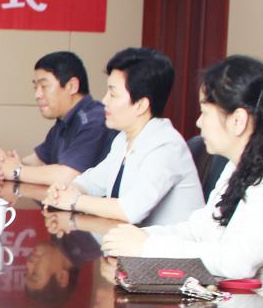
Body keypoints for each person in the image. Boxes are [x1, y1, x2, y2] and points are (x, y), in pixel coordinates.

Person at [101, 55, 263, 308]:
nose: (198, 123)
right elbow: (199, 229)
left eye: (205, 113)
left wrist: (147, 246)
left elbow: (237, 263)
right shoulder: (238, 167)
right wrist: (142, 236)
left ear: (237, 120)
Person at [45, 47, 202, 226]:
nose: (104, 101)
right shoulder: (123, 139)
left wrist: (74, 201)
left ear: (141, 105)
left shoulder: (166, 146)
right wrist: (66, 190)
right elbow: (92, 182)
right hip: (131, 240)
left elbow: (130, 210)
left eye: (113, 94)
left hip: (168, 244)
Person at [0, 51, 114, 185]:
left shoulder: (94, 120)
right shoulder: (64, 121)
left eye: (44, 86)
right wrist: (6, 164)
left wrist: (16, 171)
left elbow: (69, 176)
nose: (37, 95)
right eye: (35, 87)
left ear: (72, 86)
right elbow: (39, 160)